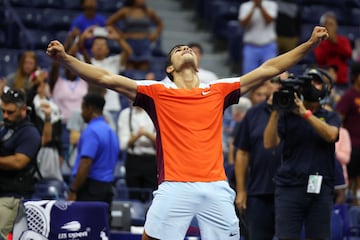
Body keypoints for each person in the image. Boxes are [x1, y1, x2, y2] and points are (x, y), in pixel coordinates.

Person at [46, 25, 328, 240]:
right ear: (169, 67)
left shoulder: (219, 89)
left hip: (216, 187)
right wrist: (67, 59)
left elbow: (269, 69)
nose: (185, 49)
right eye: (178, 49)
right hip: (175, 186)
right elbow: (105, 78)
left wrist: (309, 43)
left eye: (188, 48)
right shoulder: (155, 92)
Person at [263, 68, 340, 239]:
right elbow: (269, 143)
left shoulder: (330, 116)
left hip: (320, 188)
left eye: (317, 82)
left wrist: (305, 114)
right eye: (309, 81)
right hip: (289, 187)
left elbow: (331, 135)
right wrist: (276, 110)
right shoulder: (287, 115)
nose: (312, 85)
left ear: (325, 90)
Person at [233, 73, 284, 240]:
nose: (279, 85)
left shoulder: (298, 112)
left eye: (284, 81)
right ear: (266, 85)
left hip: (290, 192)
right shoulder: (253, 114)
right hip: (259, 190)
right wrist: (241, 191)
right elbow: (241, 153)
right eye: (275, 81)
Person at [67, 93, 119, 221]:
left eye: (83, 108)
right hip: (107, 188)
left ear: (89, 108)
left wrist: (74, 189)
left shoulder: (91, 131)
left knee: (86, 231)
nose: (81, 112)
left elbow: (85, 162)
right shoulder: (110, 131)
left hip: (90, 190)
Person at [0, 88, 41, 239]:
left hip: (11, 197)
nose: (5, 116)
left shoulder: (30, 133)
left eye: (10, 112)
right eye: (3, 111)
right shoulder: (6, 128)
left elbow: (18, 162)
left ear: (23, 109)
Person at [79, 25, 133, 124]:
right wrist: (83, 37)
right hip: (93, 107)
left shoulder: (114, 61)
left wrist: (118, 39)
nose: (99, 46)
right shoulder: (86, 61)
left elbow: (128, 52)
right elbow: (75, 52)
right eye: (96, 44)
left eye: (103, 44)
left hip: (112, 107)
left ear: (108, 49)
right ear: (91, 49)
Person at [106, 0, 163, 71]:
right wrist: (120, 34)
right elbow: (109, 22)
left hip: (144, 43)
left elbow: (160, 23)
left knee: (144, 68)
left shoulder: (148, 11)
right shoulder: (125, 11)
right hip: (130, 43)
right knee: (129, 69)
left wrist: (155, 34)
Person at [117, 105, 157, 203]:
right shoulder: (125, 114)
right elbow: (122, 144)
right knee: (133, 198)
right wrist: (137, 135)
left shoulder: (157, 112)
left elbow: (163, 142)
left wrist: (147, 134)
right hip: (133, 160)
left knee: (153, 198)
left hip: (152, 161)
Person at [336, 62, 360, 205]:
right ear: (356, 76)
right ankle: (350, 208)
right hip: (352, 146)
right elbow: (339, 119)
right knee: (350, 180)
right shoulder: (349, 96)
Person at [314, 11, 352, 89]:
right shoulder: (319, 42)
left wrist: (335, 42)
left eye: (331, 24)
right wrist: (327, 41)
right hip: (325, 81)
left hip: (342, 81)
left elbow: (348, 54)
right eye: (326, 24)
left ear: (336, 26)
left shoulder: (343, 41)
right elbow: (320, 59)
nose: (329, 27)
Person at [238, 0, 278, 74]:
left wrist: (260, 6)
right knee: (249, 76)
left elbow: (269, 20)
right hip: (251, 47)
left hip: (268, 47)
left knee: (269, 76)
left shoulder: (271, 4)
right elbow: (243, 24)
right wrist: (253, 8)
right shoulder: (245, 6)